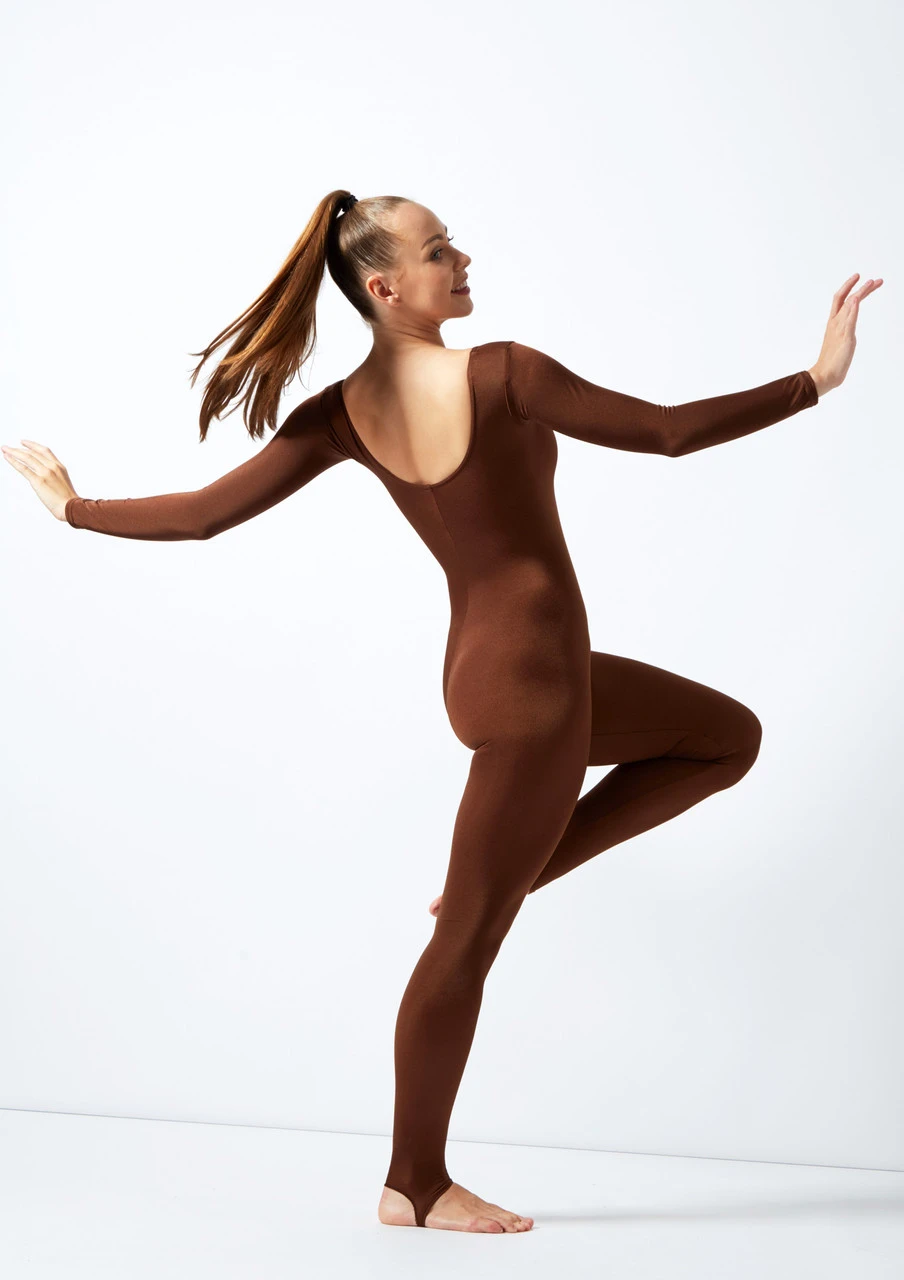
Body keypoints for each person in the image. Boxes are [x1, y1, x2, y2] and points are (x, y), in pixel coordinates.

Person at [1, 191, 882, 1234]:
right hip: (535, 688)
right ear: (385, 287)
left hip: (494, 673)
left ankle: (519, 867)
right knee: (465, 941)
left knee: (725, 736)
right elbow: (665, 433)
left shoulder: (342, 414)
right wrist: (814, 381)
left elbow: (202, 518)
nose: (461, 258)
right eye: (437, 250)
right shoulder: (504, 373)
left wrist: (78, 509)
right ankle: (415, 1182)